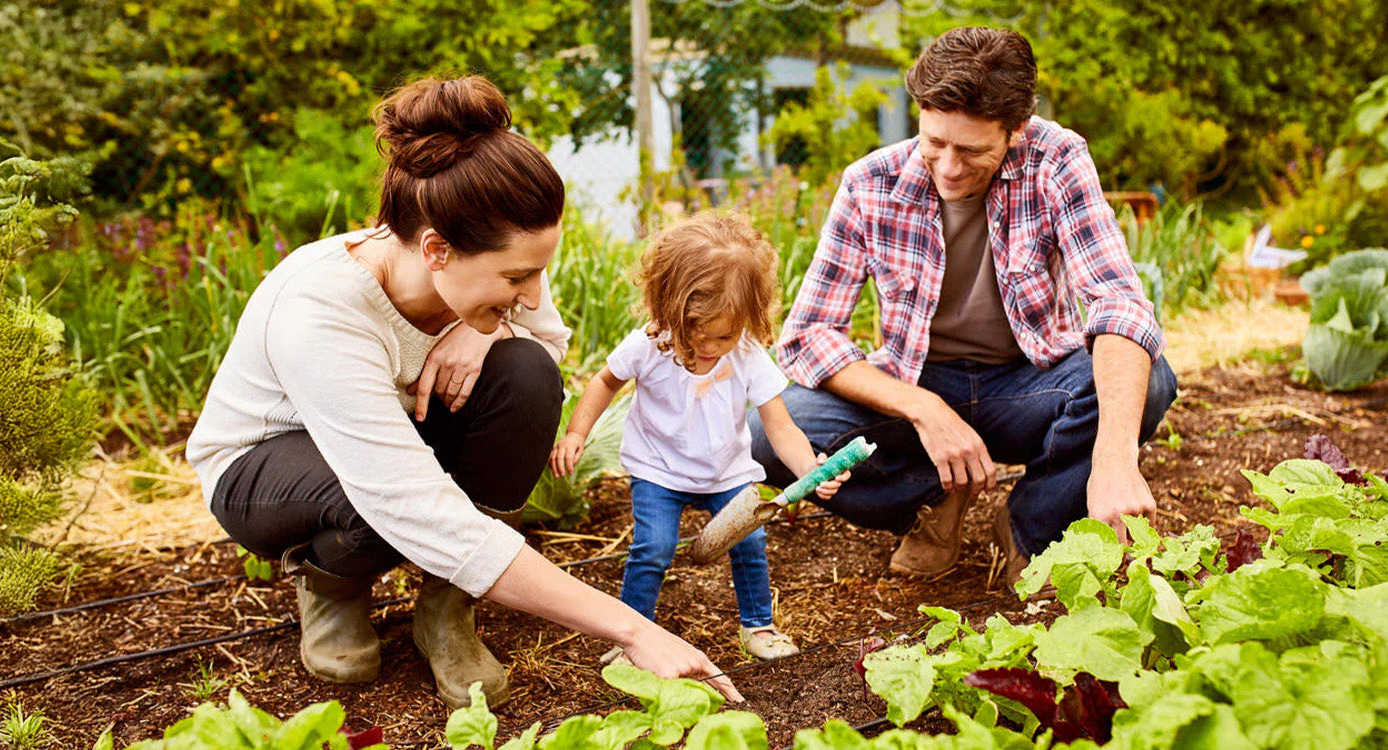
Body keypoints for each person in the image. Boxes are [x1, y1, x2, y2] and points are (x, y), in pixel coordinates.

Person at [186, 75, 742, 708]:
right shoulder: (321, 310)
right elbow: (404, 496)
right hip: (265, 470)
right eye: (517, 278)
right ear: (436, 250)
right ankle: (332, 587)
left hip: (396, 445)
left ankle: (446, 609)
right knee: (373, 503)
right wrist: (634, 629)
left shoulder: (496, 264)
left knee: (527, 373)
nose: (532, 294)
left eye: (539, 273)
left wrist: (488, 331)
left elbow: (547, 342)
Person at [757, 27, 1178, 590]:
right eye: (935, 142)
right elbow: (808, 335)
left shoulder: (1056, 159)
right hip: (916, 382)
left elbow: (1119, 304)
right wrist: (925, 408)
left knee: (1148, 382)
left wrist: (1115, 460)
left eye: (972, 151)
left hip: (1030, 385)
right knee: (767, 431)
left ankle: (1032, 526)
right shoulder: (869, 183)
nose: (949, 167)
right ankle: (932, 502)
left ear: (1016, 129)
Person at [552, 211, 848, 662]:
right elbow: (604, 381)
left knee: (749, 541)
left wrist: (810, 468)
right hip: (658, 469)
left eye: (723, 336)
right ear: (669, 306)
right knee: (654, 548)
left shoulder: (746, 354)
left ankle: (758, 626)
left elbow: (780, 425)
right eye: (695, 331)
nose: (708, 347)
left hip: (726, 471)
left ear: (748, 318)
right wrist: (576, 432)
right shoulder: (650, 343)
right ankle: (632, 637)